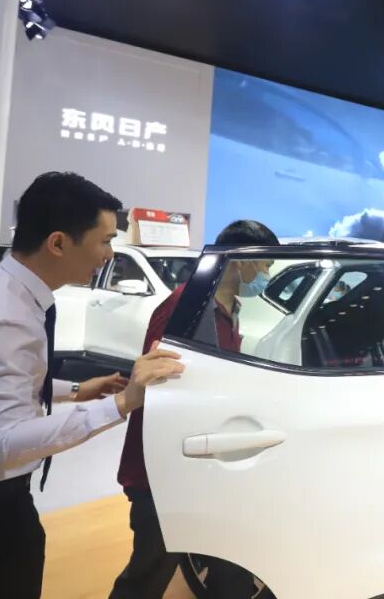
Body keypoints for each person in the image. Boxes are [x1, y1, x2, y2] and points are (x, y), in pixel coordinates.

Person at [0, 172, 184, 599]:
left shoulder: (3, 292)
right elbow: (3, 441)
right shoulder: (0, 315)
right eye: (105, 241)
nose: (109, 255)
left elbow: (1, 383)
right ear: (58, 243)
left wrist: (75, 390)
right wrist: (124, 402)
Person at [110, 220, 279, 599]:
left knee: (228, 566)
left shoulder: (228, 309)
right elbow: (160, 394)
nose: (266, 275)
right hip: (164, 473)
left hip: (204, 465)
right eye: (265, 264)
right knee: (148, 574)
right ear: (241, 261)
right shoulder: (183, 309)